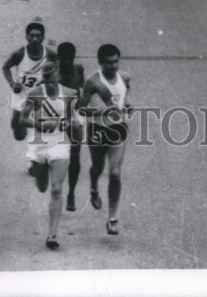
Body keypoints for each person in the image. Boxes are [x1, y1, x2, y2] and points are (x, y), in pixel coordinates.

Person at [20, 59, 79, 250]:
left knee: (56, 189)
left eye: (53, 80)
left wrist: (72, 124)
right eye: (47, 81)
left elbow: (71, 118)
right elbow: (22, 119)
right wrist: (40, 125)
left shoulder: (69, 94)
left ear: (59, 77)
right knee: (42, 186)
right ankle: (38, 175)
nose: (51, 84)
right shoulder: (35, 94)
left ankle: (52, 234)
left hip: (60, 144)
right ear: (43, 80)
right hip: (39, 144)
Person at [80, 43, 132, 235]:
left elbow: (125, 98)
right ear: (100, 63)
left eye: (116, 62)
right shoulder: (92, 81)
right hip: (97, 130)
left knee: (115, 174)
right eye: (109, 63)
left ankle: (112, 218)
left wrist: (127, 106)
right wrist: (100, 111)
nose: (113, 66)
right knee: (97, 168)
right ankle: (94, 187)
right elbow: (80, 108)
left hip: (118, 131)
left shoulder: (125, 78)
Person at [1, 21, 58, 146]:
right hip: (22, 93)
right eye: (31, 36)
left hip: (40, 94)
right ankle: (23, 126)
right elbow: (5, 67)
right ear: (26, 37)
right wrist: (12, 84)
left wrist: (51, 82)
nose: (34, 39)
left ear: (43, 38)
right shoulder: (19, 54)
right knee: (19, 134)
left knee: (44, 128)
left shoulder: (50, 54)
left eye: (38, 36)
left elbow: (58, 70)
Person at [56, 42, 85, 211]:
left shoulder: (79, 69)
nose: (68, 62)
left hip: (73, 117)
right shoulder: (53, 72)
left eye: (71, 59)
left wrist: (81, 102)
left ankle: (71, 194)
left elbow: (84, 91)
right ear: (59, 58)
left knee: (75, 156)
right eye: (64, 59)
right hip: (56, 116)